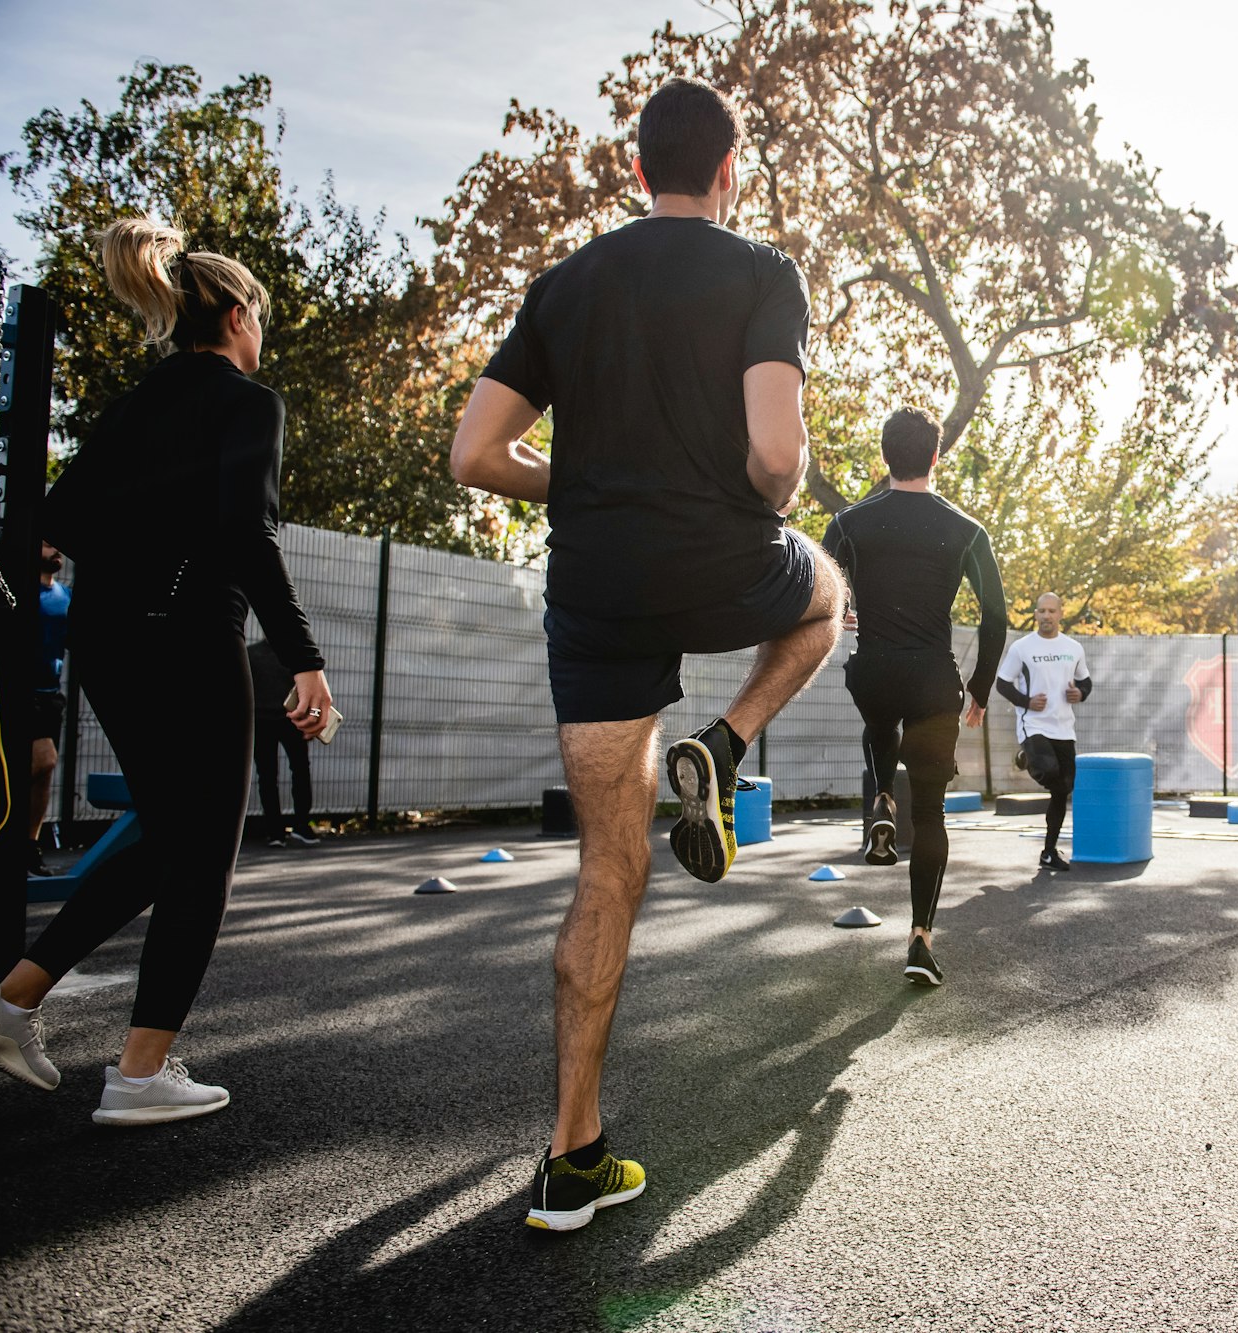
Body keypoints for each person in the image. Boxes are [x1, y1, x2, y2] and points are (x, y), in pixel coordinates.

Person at [447, 78, 843, 1232]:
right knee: (825, 597)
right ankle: (724, 740)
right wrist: (768, 493)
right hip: (723, 566)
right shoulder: (763, 272)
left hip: (597, 591)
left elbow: (475, 453)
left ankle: (572, 1155)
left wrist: (571, 482)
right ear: (730, 173)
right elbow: (776, 456)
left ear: (636, 173)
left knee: (605, 874)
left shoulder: (563, 287)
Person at [0, 219, 333, 1125]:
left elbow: (58, 516)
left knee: (166, 835)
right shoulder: (249, 403)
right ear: (239, 314)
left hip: (110, 642)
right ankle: (140, 1072)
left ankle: (10, 999)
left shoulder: (141, 402)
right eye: (263, 317)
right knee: (203, 852)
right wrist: (304, 659)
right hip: (187, 639)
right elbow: (248, 533)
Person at [822, 407, 1008, 986]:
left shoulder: (849, 523)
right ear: (935, 456)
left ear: (885, 455)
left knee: (879, 720)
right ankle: (920, 940)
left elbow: (820, 588)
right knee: (930, 814)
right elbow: (996, 618)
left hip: (873, 671)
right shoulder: (966, 529)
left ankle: (880, 797)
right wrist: (979, 689)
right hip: (934, 680)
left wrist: (846, 608)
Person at [995, 593, 1092, 871]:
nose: (1046, 616)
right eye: (1041, 611)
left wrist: (1080, 693)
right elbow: (1002, 684)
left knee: (1063, 789)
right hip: (1033, 725)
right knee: (1049, 773)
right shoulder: (1022, 648)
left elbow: (1086, 681)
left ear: (1061, 613)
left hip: (1064, 728)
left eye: (1051, 611)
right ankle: (1029, 755)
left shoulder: (1073, 648)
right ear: (1036, 615)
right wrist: (1026, 702)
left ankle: (1048, 853)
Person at [248, 636, 319, 847]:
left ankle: (275, 832)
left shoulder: (251, 654)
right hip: (291, 721)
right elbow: (310, 691)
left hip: (262, 721)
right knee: (300, 771)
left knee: (268, 777)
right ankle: (301, 826)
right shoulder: (295, 653)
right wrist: (313, 717)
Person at [28, 541, 70, 877]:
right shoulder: (13, 593)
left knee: (44, 773)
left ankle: (29, 845)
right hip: (17, 692)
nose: (55, 550)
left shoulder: (65, 596)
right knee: (44, 759)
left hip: (50, 693)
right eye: (46, 544)